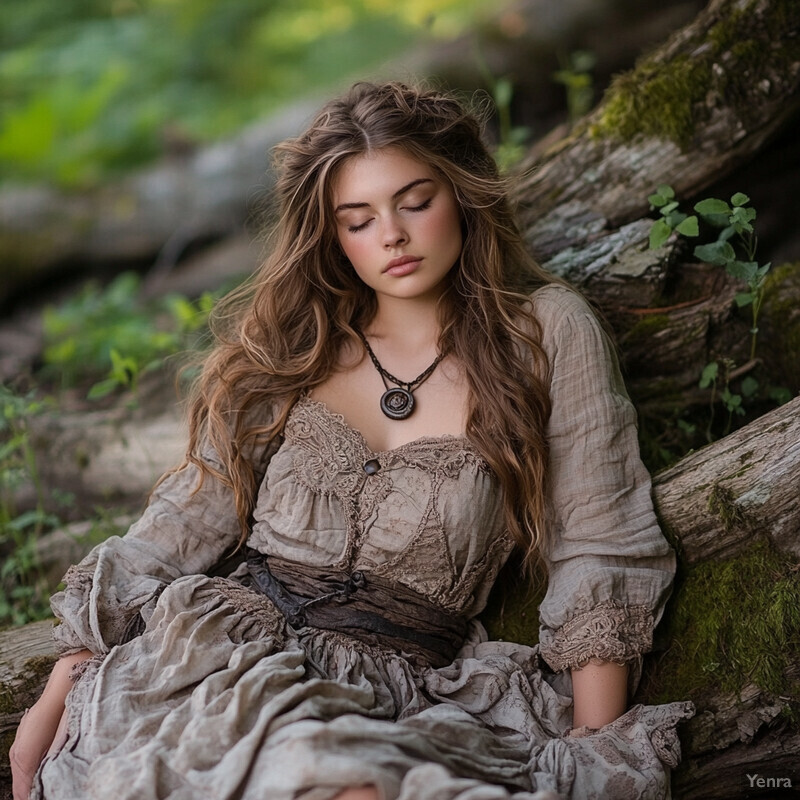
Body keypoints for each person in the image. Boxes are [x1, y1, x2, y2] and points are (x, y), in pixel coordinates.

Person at [11, 81, 693, 800]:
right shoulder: (290, 346)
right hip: (217, 665)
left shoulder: (546, 333)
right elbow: (182, 524)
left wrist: (592, 752)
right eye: (358, 219)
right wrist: (70, 671)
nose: (391, 235)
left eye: (415, 201)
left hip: (409, 693)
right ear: (332, 235)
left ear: (463, 194)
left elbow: (599, 539)